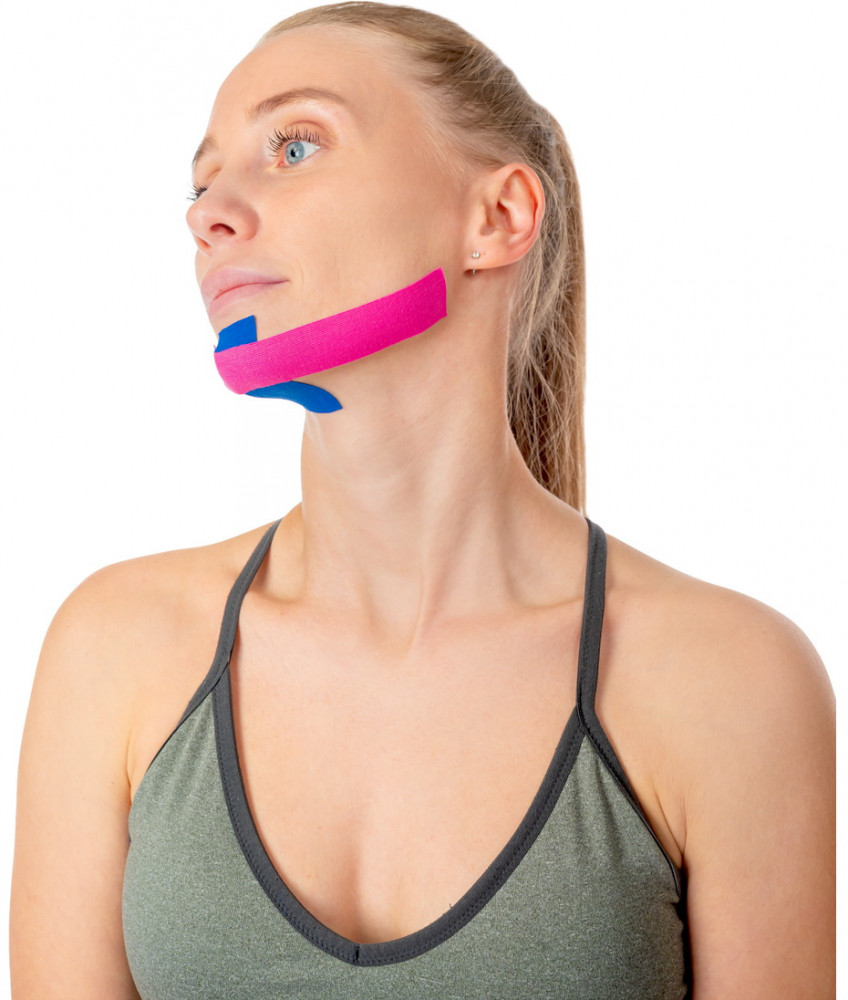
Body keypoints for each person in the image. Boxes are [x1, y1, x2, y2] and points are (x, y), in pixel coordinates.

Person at [9, 2, 835, 997]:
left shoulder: (728, 682)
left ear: (497, 218)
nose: (209, 213)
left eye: (294, 145)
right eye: (202, 180)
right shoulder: (115, 650)